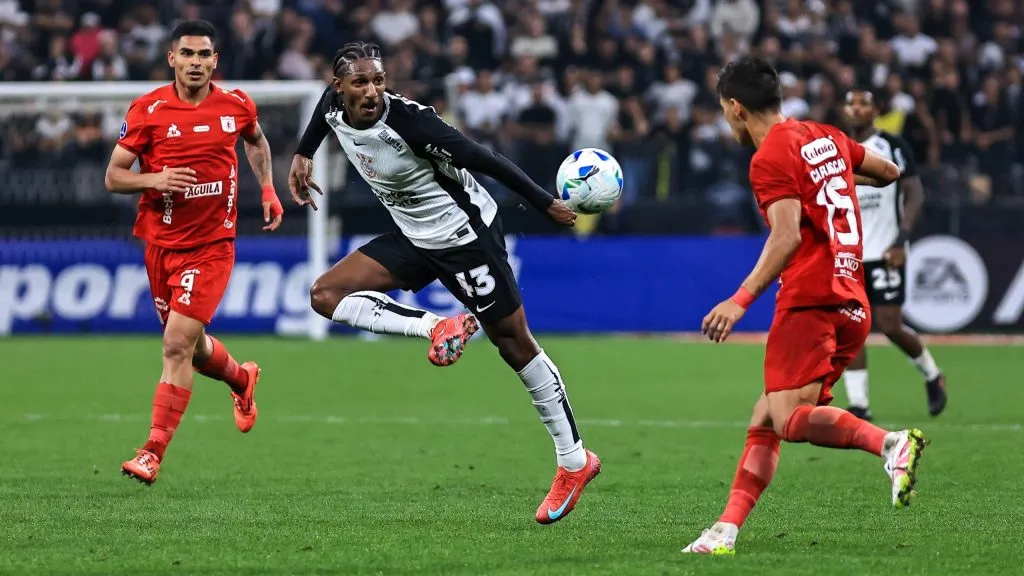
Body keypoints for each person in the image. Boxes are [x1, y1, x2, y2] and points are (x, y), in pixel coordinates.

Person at [286, 42, 600, 525]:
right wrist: (303, 155)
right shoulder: (332, 106)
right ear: (339, 87)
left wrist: (545, 203)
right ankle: (435, 326)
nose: (372, 91)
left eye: (378, 81)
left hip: (465, 235)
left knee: (515, 344)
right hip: (412, 235)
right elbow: (320, 118)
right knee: (325, 294)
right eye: (360, 83)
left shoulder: (412, 123)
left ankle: (574, 461)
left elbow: (484, 158)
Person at [682, 57, 928, 555]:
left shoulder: (768, 156)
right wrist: (828, 182)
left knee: (791, 419)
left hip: (810, 300)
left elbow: (787, 235)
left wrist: (740, 298)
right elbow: (889, 172)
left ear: (735, 108)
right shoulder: (825, 136)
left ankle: (889, 443)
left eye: (723, 110)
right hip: (851, 301)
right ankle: (724, 531)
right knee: (767, 416)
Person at [104, 20, 285, 485]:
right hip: (161, 247)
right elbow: (114, 177)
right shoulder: (148, 111)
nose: (197, 63)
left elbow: (257, 141)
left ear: (215, 61)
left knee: (175, 344)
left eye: (205, 55)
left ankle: (151, 452)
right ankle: (241, 380)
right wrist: (153, 179)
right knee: (194, 346)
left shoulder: (237, 104)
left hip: (212, 246)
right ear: (172, 59)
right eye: (188, 54)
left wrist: (267, 188)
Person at [840, 88, 947, 421]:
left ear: (876, 111)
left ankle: (932, 374)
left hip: (886, 249)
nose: (857, 110)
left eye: (864, 104)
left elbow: (914, 194)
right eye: (851, 104)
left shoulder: (892, 146)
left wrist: (901, 240)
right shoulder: (837, 148)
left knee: (889, 325)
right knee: (850, 326)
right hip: (849, 253)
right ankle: (860, 405)